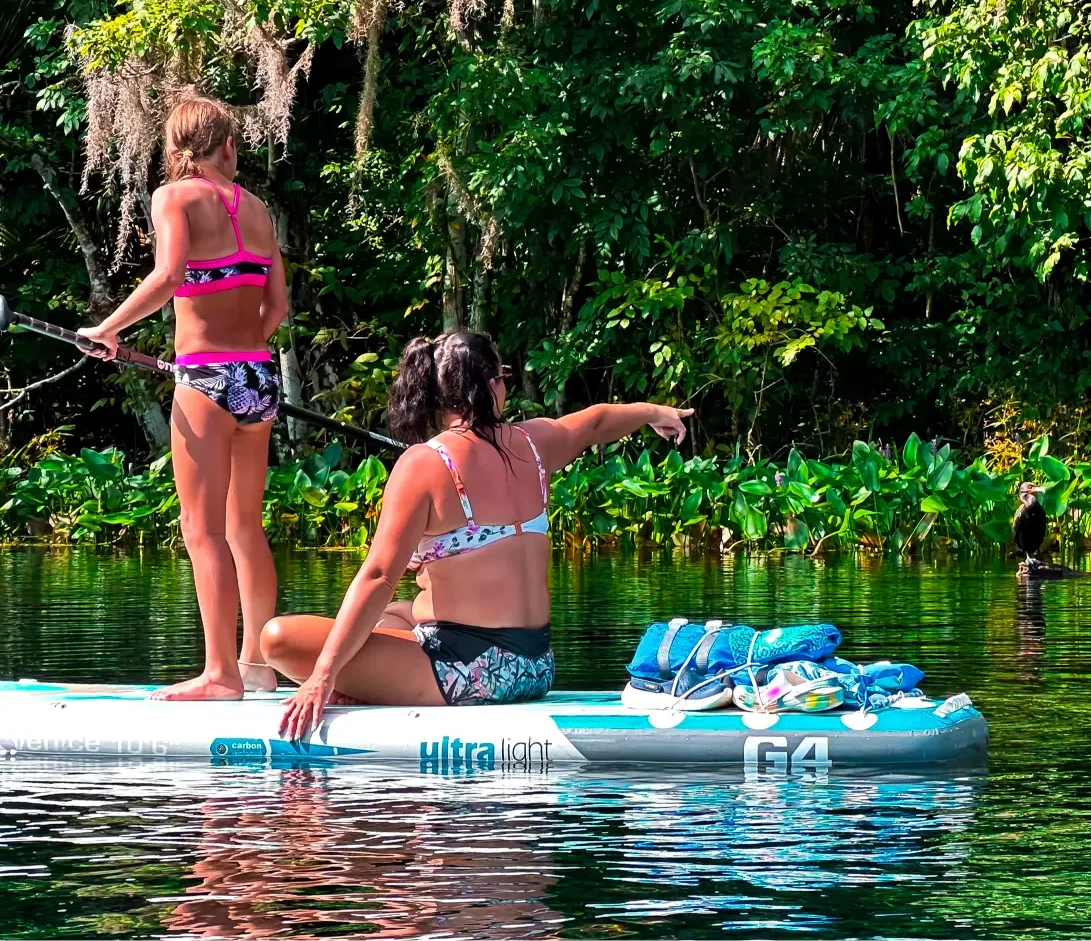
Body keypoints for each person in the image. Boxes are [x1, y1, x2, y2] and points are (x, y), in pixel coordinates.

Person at [264, 331, 691, 739]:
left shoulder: (424, 463)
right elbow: (597, 421)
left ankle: (357, 683)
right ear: (493, 384)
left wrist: (322, 676)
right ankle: (372, 677)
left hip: (471, 675)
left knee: (278, 639)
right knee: (397, 613)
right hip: (536, 667)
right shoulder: (535, 442)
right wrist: (655, 412)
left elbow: (377, 575)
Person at [78, 97, 288, 701]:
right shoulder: (258, 210)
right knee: (246, 526)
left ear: (176, 150)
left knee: (202, 531)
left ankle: (219, 676)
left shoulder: (173, 198)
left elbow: (169, 276)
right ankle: (254, 664)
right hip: (258, 377)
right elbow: (275, 308)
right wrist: (245, 351)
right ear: (227, 147)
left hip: (205, 380)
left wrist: (109, 330)